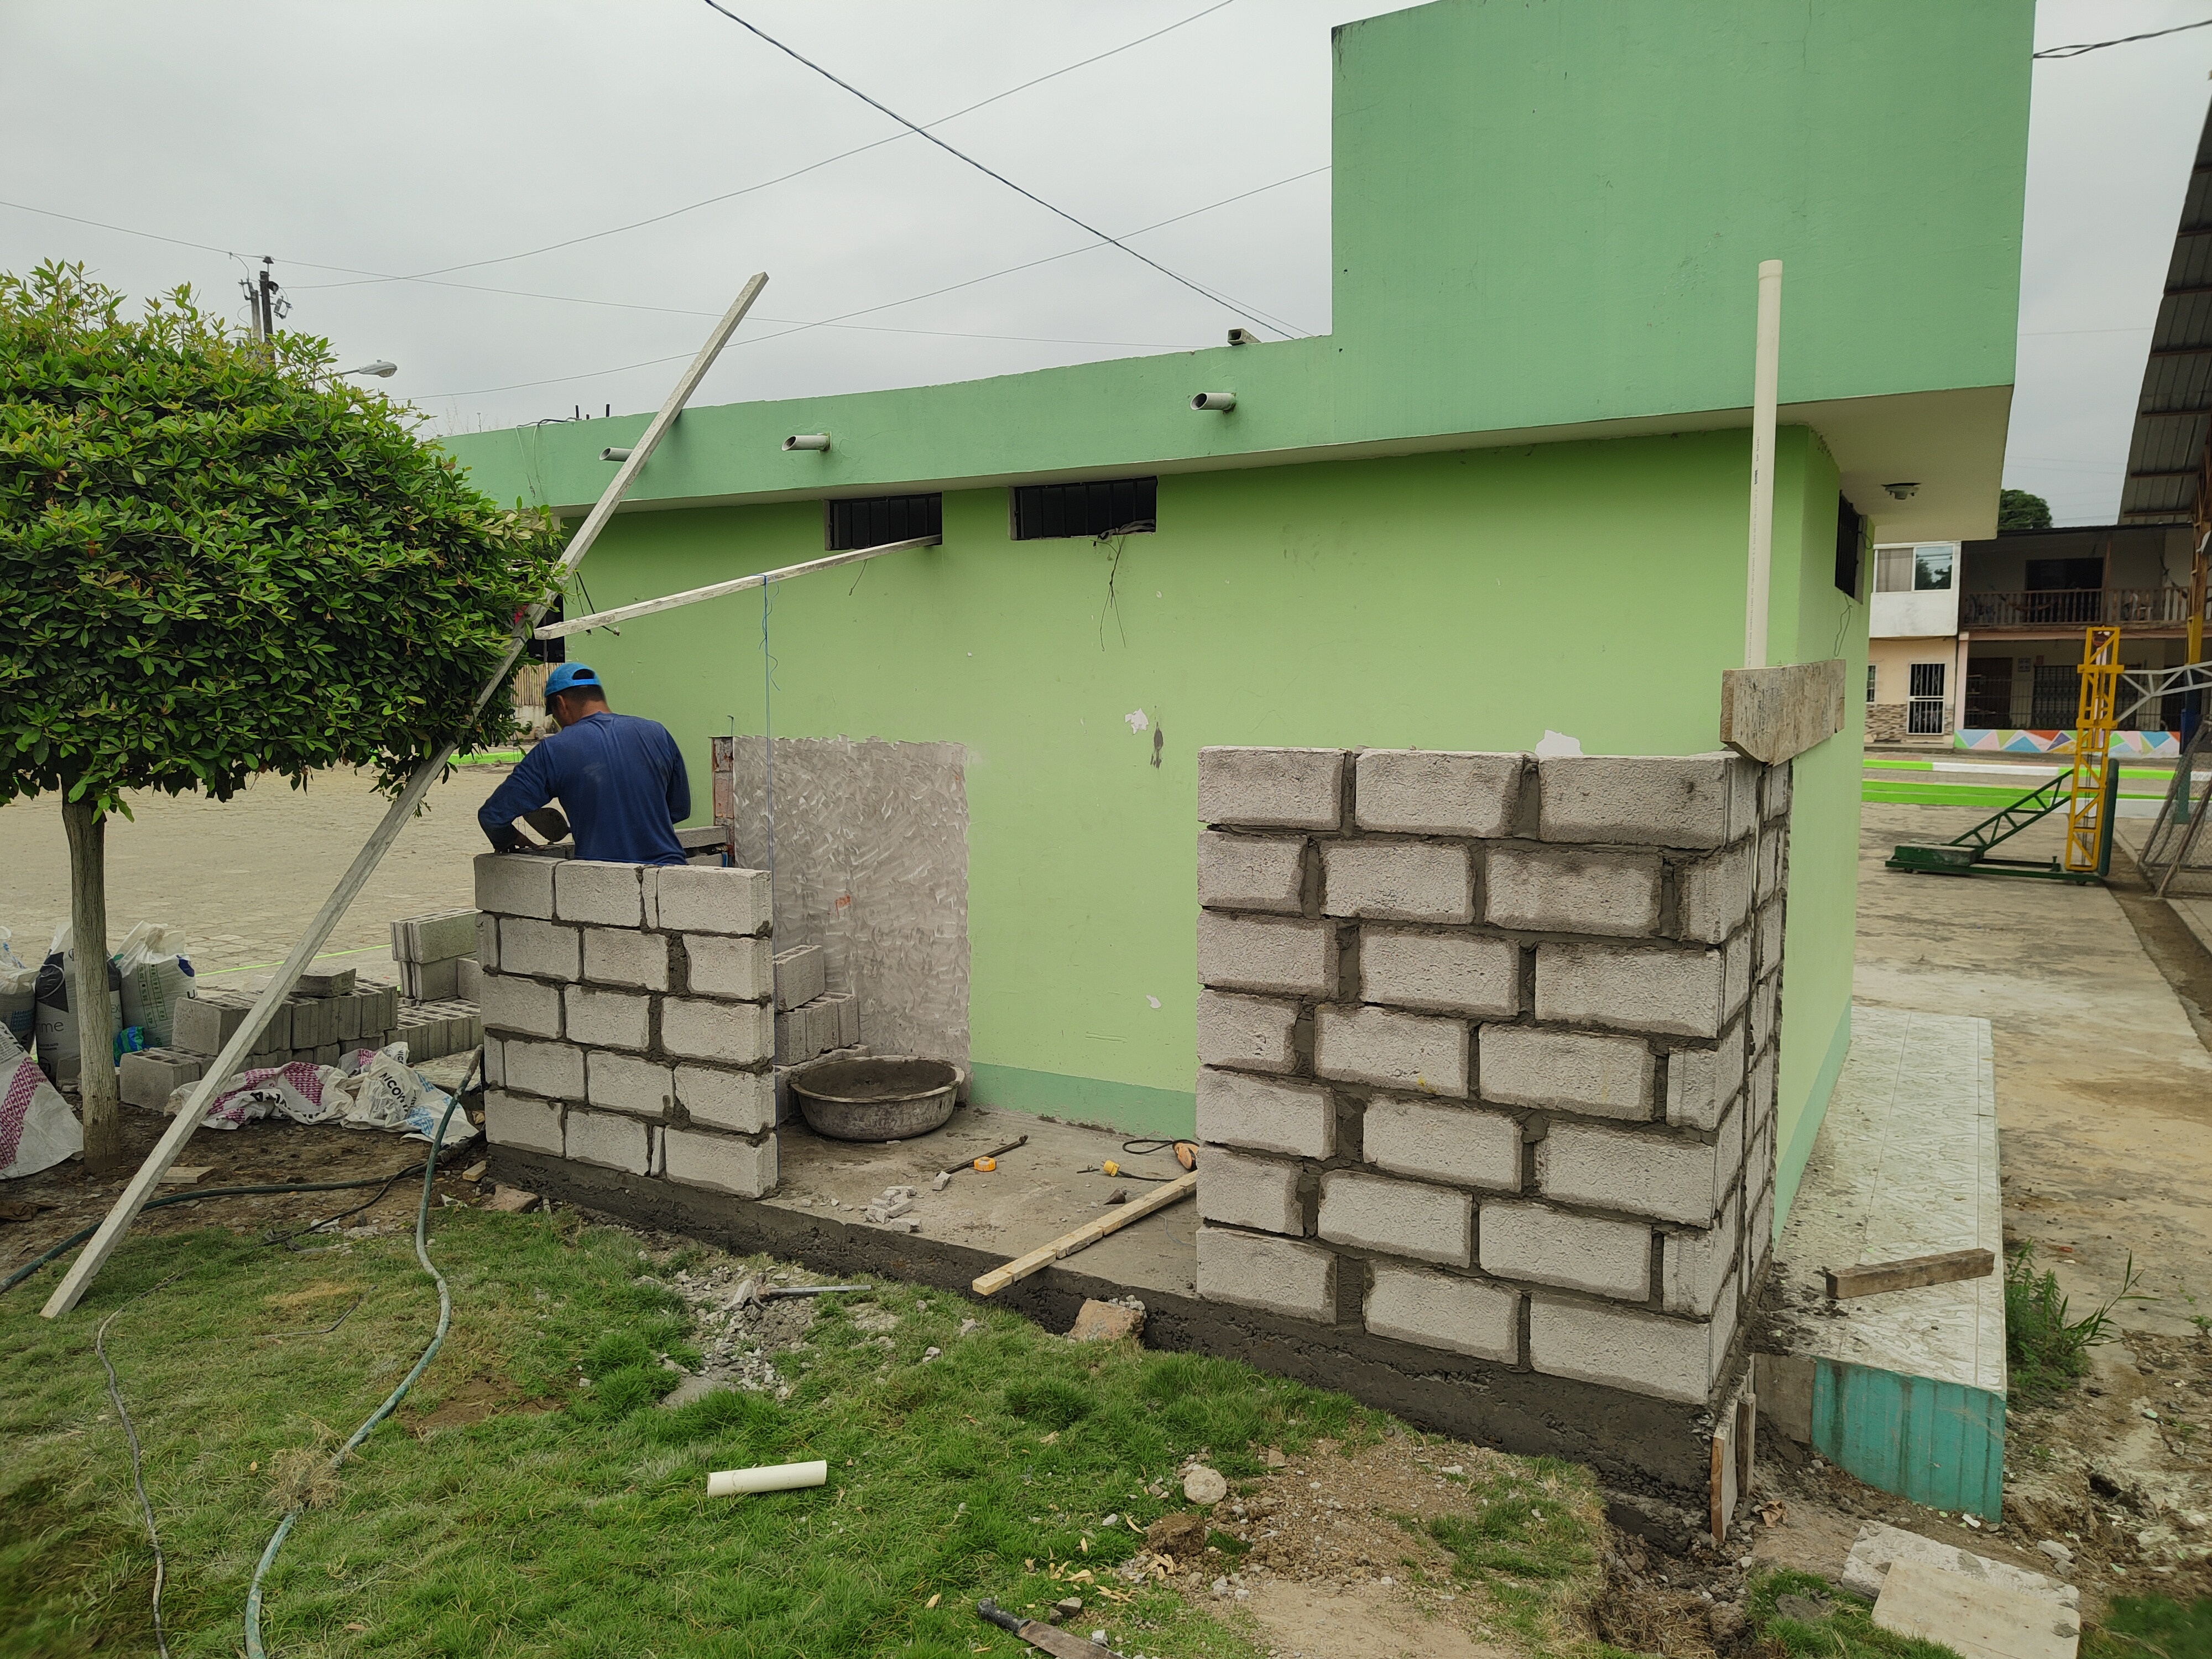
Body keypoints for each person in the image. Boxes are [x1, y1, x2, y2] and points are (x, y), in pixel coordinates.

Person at [478, 663, 690, 867]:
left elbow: (493, 816)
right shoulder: (658, 733)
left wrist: (508, 838)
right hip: (672, 875)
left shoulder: (553, 750)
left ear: (561, 704)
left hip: (602, 879)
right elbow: (679, 810)